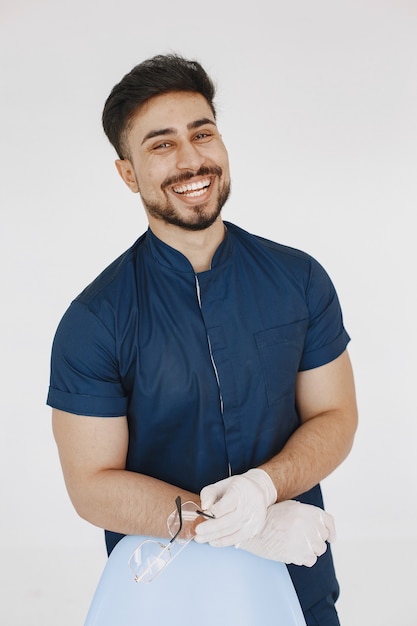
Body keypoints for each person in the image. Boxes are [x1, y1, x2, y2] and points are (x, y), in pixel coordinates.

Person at [48, 54, 358, 625]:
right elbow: (91, 485)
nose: (191, 159)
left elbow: (336, 414)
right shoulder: (95, 319)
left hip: (298, 581)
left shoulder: (299, 280)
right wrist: (238, 527)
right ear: (128, 173)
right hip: (164, 593)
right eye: (161, 145)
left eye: (202, 133)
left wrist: (266, 488)